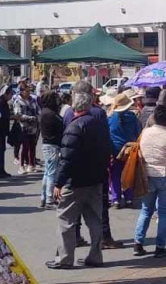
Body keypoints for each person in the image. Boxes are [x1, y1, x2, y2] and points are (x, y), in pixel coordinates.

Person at [46, 92, 112, 270]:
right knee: (95, 219)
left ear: (74, 106)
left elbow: (67, 159)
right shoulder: (99, 124)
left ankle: (64, 259)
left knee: (65, 219)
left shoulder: (74, 127)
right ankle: (96, 255)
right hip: (96, 180)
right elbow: (108, 150)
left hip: (76, 182)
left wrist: (58, 183)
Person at [66, 80, 123, 250]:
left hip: (75, 165)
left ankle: (76, 236)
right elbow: (105, 138)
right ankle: (104, 237)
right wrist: (108, 159)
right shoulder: (98, 112)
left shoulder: (68, 112)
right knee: (100, 205)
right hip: (96, 165)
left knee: (74, 205)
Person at [133, 105, 166, 258]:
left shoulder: (144, 133)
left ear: (154, 118)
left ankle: (138, 242)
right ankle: (160, 246)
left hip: (147, 175)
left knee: (145, 210)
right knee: (164, 213)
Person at [108, 93, 142, 208]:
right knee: (129, 172)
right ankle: (129, 198)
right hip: (129, 150)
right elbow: (138, 133)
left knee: (115, 174)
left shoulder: (110, 118)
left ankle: (116, 199)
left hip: (115, 150)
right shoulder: (133, 117)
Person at [40, 90, 64, 209]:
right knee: (51, 173)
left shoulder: (45, 111)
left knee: (47, 172)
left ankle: (44, 197)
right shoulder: (50, 114)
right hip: (52, 145)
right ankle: (49, 200)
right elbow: (61, 125)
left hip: (48, 145)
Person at [13, 84, 40, 174]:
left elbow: (38, 111)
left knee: (32, 146)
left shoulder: (33, 100)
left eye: (29, 91)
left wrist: (38, 117)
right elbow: (18, 115)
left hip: (33, 127)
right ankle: (21, 166)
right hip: (23, 127)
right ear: (22, 92)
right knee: (24, 147)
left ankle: (31, 165)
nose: (29, 93)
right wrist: (31, 118)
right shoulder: (18, 101)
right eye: (27, 91)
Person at [0, 85, 13, 179]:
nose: (11, 96)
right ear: (5, 94)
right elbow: (0, 116)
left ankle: (1, 170)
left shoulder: (2, 102)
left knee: (1, 150)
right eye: (10, 94)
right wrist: (12, 117)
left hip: (2, 131)